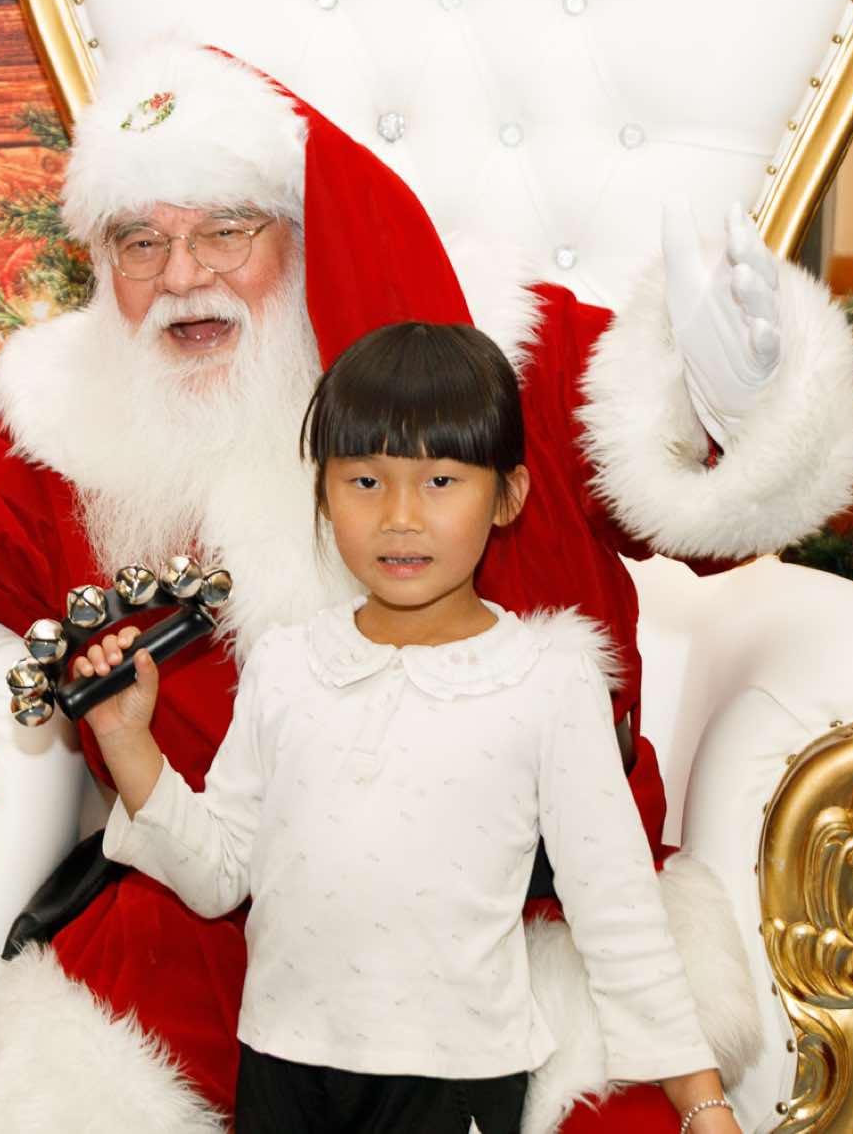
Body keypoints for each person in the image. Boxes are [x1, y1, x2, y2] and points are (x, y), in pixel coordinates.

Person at [0, 40, 853, 1132]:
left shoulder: (495, 353)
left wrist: (731, 398)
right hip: (215, 940)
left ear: (305, 228)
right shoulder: (67, 431)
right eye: (138, 241)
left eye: (227, 230)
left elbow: (704, 515)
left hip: (529, 931)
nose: (182, 278)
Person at [73, 321, 742, 1134]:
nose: (399, 516)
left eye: (440, 481)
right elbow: (217, 874)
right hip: (281, 1063)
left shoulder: (545, 679)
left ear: (508, 495)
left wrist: (702, 1098)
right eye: (364, 480)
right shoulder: (286, 663)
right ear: (322, 493)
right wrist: (128, 741)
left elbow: (616, 904)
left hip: (455, 1078)